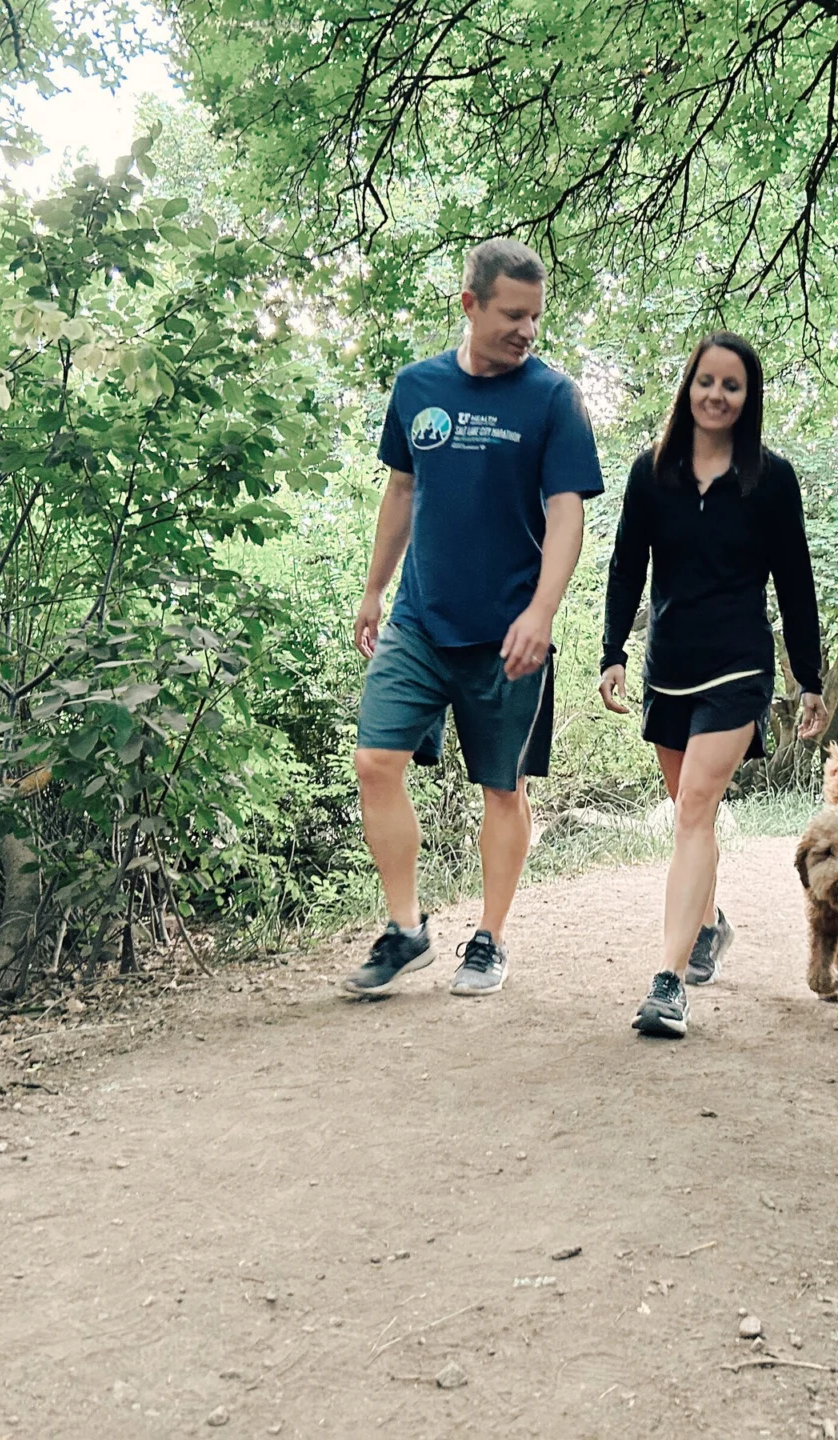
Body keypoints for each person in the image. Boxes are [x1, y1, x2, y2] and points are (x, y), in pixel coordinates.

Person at [338, 239, 604, 999]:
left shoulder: (553, 398)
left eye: (535, 317)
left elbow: (567, 513)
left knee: (503, 788)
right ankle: (406, 929)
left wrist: (542, 612)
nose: (528, 330)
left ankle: (489, 938)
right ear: (470, 305)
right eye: (513, 315)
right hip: (419, 621)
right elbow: (401, 490)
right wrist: (373, 589)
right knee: (374, 762)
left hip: (509, 635)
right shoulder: (417, 386)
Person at [599, 331, 827, 1039]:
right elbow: (626, 565)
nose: (717, 395)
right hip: (669, 669)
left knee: (695, 808)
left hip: (738, 668)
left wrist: (809, 676)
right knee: (687, 813)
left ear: (748, 397)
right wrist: (613, 652)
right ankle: (709, 925)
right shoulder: (651, 472)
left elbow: (795, 580)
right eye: (707, 381)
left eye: (733, 385)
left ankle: (667, 984)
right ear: (688, 387)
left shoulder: (770, 478)